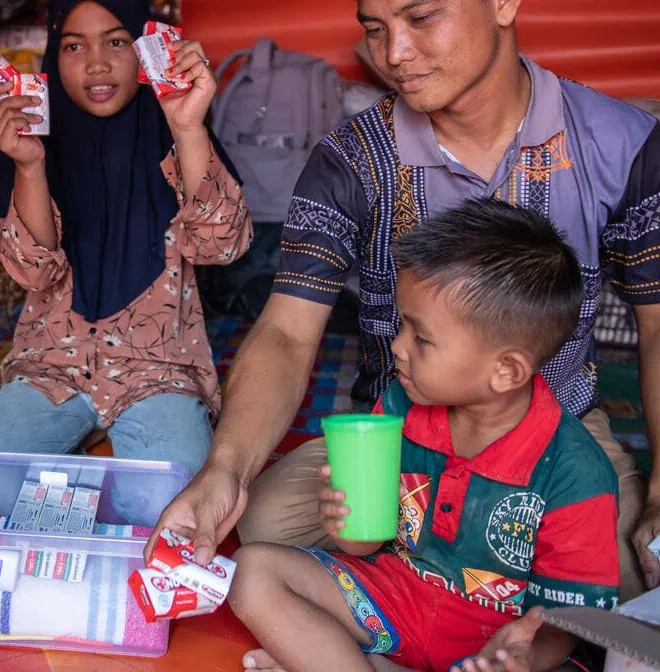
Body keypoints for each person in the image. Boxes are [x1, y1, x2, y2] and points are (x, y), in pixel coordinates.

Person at [151, 0, 660, 601]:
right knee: (263, 523)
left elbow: (657, 325)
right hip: (398, 437)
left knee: (626, 571)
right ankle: (448, 585)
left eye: (421, 18)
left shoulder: (622, 145)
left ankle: (423, 586)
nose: (394, 54)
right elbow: (288, 333)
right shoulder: (350, 160)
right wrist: (223, 471)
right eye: (375, 28)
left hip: (558, 437)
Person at [229, 199, 618, 672]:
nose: (396, 346)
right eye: (402, 327)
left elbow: (565, 622)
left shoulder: (576, 472)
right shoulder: (400, 406)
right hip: (396, 601)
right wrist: (345, 526)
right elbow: (368, 545)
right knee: (252, 571)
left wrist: (522, 655)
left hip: (494, 644)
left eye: (422, 338)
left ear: (506, 371)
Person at [0, 0, 252, 520]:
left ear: (145, 49)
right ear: (54, 54)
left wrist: (189, 128)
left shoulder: (174, 125)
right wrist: (29, 164)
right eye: (74, 46)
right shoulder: (31, 135)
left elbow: (220, 246)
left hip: (158, 369)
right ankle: (90, 449)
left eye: (116, 41)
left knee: (164, 507)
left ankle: (91, 456)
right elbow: (34, 272)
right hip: (51, 365)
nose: (96, 63)